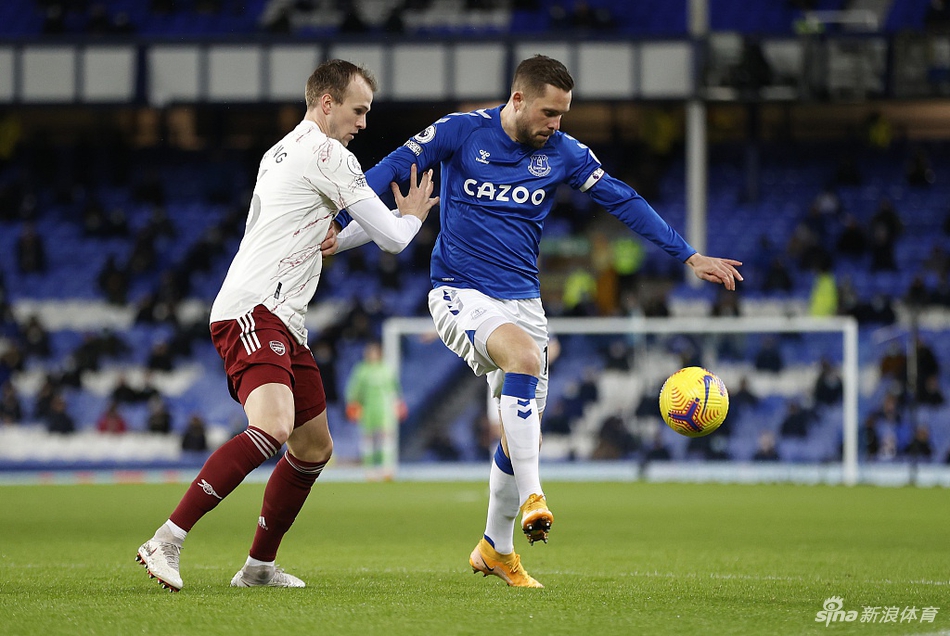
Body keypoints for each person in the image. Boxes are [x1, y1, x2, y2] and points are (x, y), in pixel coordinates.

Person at [329, 55, 742, 588]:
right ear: (518, 99)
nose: (557, 125)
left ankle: (495, 548)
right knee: (527, 360)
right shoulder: (460, 132)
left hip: (525, 303)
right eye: (549, 113)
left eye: (564, 115)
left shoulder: (565, 153)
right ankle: (534, 497)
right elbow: (385, 171)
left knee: (524, 435)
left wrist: (688, 255)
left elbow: (623, 199)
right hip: (459, 291)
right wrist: (337, 222)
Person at [135, 59, 439, 593]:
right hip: (256, 309)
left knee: (313, 446)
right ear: (327, 103)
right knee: (273, 427)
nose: (363, 122)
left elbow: (302, 235)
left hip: (278, 316)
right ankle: (167, 538)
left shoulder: (279, 152)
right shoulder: (330, 155)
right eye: (358, 109)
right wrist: (412, 214)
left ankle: (257, 568)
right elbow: (392, 238)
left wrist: (343, 239)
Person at [344, 340, 405, 480]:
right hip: (368, 410)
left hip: (385, 410)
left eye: (374, 352)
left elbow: (394, 389)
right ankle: (369, 470)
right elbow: (353, 390)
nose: (372, 354)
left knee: (387, 439)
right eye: (369, 352)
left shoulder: (386, 369)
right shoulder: (361, 370)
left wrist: (399, 404)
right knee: (368, 440)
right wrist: (352, 405)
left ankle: (387, 469)